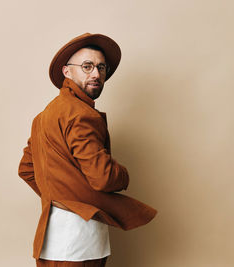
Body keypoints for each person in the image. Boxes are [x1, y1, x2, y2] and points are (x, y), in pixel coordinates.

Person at [18, 33, 157, 267]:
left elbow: (26, 170)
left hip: (51, 237)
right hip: (80, 239)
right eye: (87, 66)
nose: (96, 74)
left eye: (101, 68)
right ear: (67, 71)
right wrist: (124, 175)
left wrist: (60, 195)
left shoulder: (42, 117)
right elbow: (103, 177)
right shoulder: (81, 114)